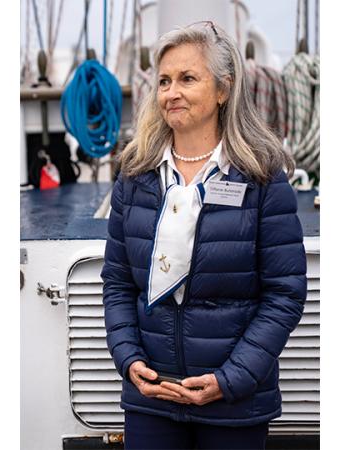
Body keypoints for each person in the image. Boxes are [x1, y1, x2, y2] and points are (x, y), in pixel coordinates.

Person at [101, 21, 307, 450]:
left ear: (223, 90)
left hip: (233, 403)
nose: (171, 92)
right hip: (151, 396)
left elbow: (284, 293)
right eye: (163, 81)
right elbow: (118, 282)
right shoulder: (136, 174)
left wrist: (229, 380)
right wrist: (129, 359)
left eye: (187, 79)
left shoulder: (260, 176)